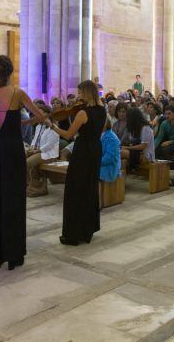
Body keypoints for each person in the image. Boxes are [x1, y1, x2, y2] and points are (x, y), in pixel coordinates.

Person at [0, 56, 46, 269]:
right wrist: (22, 121)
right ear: (10, 72)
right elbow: (41, 116)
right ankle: (14, 253)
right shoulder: (17, 93)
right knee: (13, 198)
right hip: (12, 150)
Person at [47, 80, 107, 246]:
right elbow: (100, 131)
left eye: (80, 93)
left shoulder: (82, 113)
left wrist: (52, 126)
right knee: (89, 188)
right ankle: (88, 230)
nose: (78, 96)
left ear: (86, 93)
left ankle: (73, 234)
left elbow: (68, 134)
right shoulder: (103, 110)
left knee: (75, 190)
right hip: (95, 149)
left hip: (82, 151)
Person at [25, 104, 60, 197]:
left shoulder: (53, 127)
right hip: (38, 151)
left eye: (39, 113)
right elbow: (34, 140)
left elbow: (49, 145)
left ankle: (33, 185)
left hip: (49, 154)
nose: (37, 115)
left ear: (47, 114)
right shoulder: (38, 126)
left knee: (27, 163)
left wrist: (37, 151)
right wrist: (32, 148)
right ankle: (31, 185)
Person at [99, 118, 121, 182]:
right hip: (100, 163)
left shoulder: (112, 138)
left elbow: (109, 158)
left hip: (109, 167)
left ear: (105, 124)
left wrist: (95, 162)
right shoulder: (97, 135)